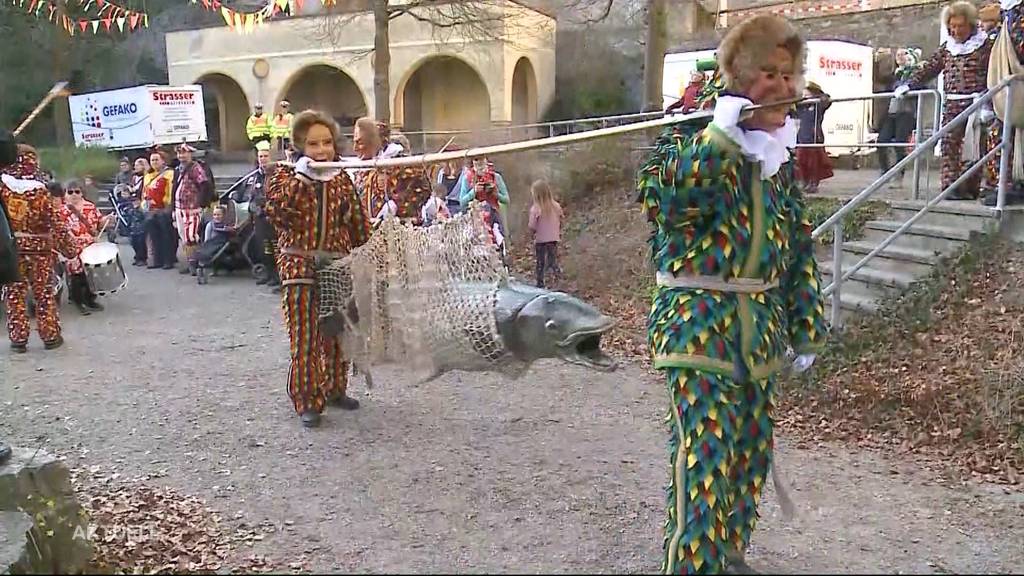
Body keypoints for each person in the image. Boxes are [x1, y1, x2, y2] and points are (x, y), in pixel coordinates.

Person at [636, 14, 828, 574]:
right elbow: (666, 202)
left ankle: (728, 552)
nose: (782, 87)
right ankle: (694, 563)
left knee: (749, 455)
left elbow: (795, 247)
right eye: (767, 73)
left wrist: (806, 324)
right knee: (707, 459)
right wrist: (719, 140)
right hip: (699, 326)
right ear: (740, 76)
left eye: (788, 76)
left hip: (758, 328)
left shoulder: (779, 158)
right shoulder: (689, 136)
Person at [265, 109, 372, 428]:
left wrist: (371, 249)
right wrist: (302, 179)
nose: (322, 150)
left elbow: (358, 225)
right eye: (313, 144)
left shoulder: (341, 178)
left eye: (326, 142)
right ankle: (308, 399)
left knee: (338, 330)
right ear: (300, 145)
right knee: (306, 335)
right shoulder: (284, 176)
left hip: (337, 264)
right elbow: (279, 214)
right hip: (299, 263)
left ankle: (335, 389)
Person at [901, 1, 993, 200]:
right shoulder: (947, 48)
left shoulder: (985, 45)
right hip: (952, 104)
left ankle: (969, 189)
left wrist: (988, 102)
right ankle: (950, 188)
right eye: (953, 26)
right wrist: (909, 84)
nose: (957, 30)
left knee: (974, 147)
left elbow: (994, 73)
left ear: (970, 24)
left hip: (975, 104)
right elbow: (930, 68)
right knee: (949, 145)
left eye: (961, 26)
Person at [0, 137, 78, 353]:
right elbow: (55, 222)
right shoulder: (41, 191)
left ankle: (18, 339)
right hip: (40, 251)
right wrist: (70, 248)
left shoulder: (3, 189)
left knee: (14, 293)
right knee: (44, 293)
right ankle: (50, 335)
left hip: (11, 249)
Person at [981, 0, 1024, 206]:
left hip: (1016, 82)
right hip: (1007, 86)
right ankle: (1003, 184)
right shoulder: (1008, 14)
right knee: (999, 133)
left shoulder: (1017, 13)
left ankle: (1007, 185)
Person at [352, 116, 431, 222]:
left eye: (360, 143)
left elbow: (423, 190)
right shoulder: (361, 171)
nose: (355, 148)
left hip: (400, 230)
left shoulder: (402, 163)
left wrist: (396, 205)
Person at [60, 179, 109, 316]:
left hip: (90, 245)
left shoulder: (90, 207)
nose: (74, 194)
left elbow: (99, 223)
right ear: (65, 194)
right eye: (70, 192)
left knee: (91, 273)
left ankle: (90, 299)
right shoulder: (62, 211)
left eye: (77, 191)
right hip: (72, 246)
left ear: (82, 193)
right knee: (76, 275)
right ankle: (78, 301)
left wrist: (107, 220)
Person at [877, 48, 921, 186]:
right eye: (898, 55)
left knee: (900, 143)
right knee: (881, 141)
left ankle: (899, 175)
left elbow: (922, 86)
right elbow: (880, 79)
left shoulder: (915, 73)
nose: (900, 57)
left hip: (906, 112)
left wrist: (908, 87)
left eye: (904, 54)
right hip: (891, 112)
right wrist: (879, 61)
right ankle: (885, 171)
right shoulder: (895, 74)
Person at [243, 141, 281, 290]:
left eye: (265, 156)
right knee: (264, 249)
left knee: (276, 248)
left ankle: (279, 277)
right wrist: (253, 207)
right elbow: (250, 194)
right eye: (260, 156)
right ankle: (269, 274)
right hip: (259, 220)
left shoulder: (277, 174)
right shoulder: (255, 175)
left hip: (273, 219)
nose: (263, 159)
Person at [171, 142, 210, 276]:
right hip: (179, 207)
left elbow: (205, 185)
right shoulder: (178, 169)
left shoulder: (195, 168)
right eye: (179, 153)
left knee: (191, 237)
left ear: (190, 154)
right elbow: (174, 188)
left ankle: (196, 264)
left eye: (184, 153)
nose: (181, 155)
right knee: (183, 236)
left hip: (192, 209)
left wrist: (201, 203)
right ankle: (189, 261)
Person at [794, 81, 834, 194]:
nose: (805, 96)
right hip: (802, 137)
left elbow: (827, 101)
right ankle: (804, 181)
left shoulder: (818, 105)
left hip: (814, 137)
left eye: (808, 94)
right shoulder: (801, 107)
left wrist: (822, 97)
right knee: (801, 161)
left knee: (814, 163)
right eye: (804, 94)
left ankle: (813, 183)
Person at [456, 156, 510, 235]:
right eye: (476, 159)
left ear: (486, 160)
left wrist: (496, 194)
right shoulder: (467, 178)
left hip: (493, 217)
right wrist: (473, 192)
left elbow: (506, 200)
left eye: (482, 159)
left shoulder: (496, 177)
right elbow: (462, 202)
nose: (479, 162)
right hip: (475, 220)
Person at [143, 149, 176, 270]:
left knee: (166, 235)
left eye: (157, 159)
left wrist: (168, 206)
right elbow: (144, 192)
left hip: (164, 209)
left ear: (163, 161)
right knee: (154, 235)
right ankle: (157, 259)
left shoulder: (169, 174)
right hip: (150, 210)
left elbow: (171, 191)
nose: (154, 162)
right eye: (152, 160)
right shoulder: (147, 176)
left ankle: (168, 260)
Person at [528, 180, 563, 288]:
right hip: (553, 238)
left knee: (540, 261)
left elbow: (532, 225)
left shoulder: (536, 209)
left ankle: (540, 282)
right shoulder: (556, 206)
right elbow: (561, 217)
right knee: (552, 258)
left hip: (541, 239)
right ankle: (556, 275)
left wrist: (532, 232)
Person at [195, 205, 234, 285]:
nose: (216, 217)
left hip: (221, 244)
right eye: (215, 215)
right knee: (208, 254)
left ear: (224, 216)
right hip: (212, 243)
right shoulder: (210, 225)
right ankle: (203, 268)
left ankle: (216, 268)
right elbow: (207, 238)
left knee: (218, 255)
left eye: (219, 215)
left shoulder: (226, 225)